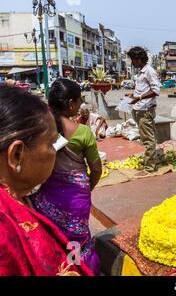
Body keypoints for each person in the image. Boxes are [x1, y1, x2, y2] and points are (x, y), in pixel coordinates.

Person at [0, 86, 93, 276]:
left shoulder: (20, 199)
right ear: (17, 155)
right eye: (51, 143)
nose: (56, 150)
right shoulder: (5, 231)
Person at [30, 79, 103, 275]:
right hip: (76, 197)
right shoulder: (83, 132)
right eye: (79, 101)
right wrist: (88, 187)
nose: (80, 105)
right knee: (77, 242)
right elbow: (96, 168)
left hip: (47, 194)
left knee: (52, 238)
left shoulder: (42, 127)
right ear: (71, 103)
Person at [126, 47, 161, 176]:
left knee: (148, 139)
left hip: (145, 110)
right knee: (145, 138)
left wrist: (139, 98)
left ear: (138, 59)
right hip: (139, 108)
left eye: (133, 59)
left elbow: (155, 91)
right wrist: (133, 95)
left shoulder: (149, 71)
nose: (132, 63)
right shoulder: (141, 72)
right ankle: (152, 162)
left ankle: (149, 168)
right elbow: (143, 89)